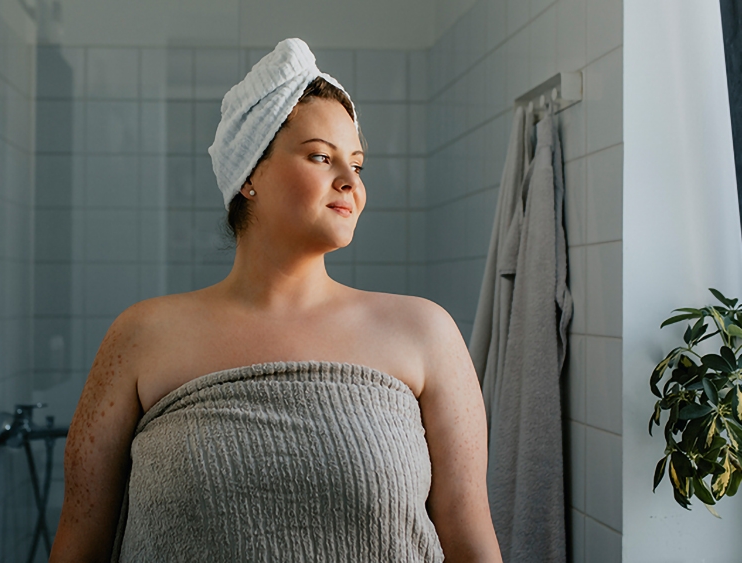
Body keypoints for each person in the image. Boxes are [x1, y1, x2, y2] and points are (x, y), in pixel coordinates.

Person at [50, 38, 501, 563]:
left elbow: (471, 541)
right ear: (249, 176)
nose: (350, 182)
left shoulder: (426, 334)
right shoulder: (141, 337)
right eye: (320, 156)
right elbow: (78, 545)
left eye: (357, 164)